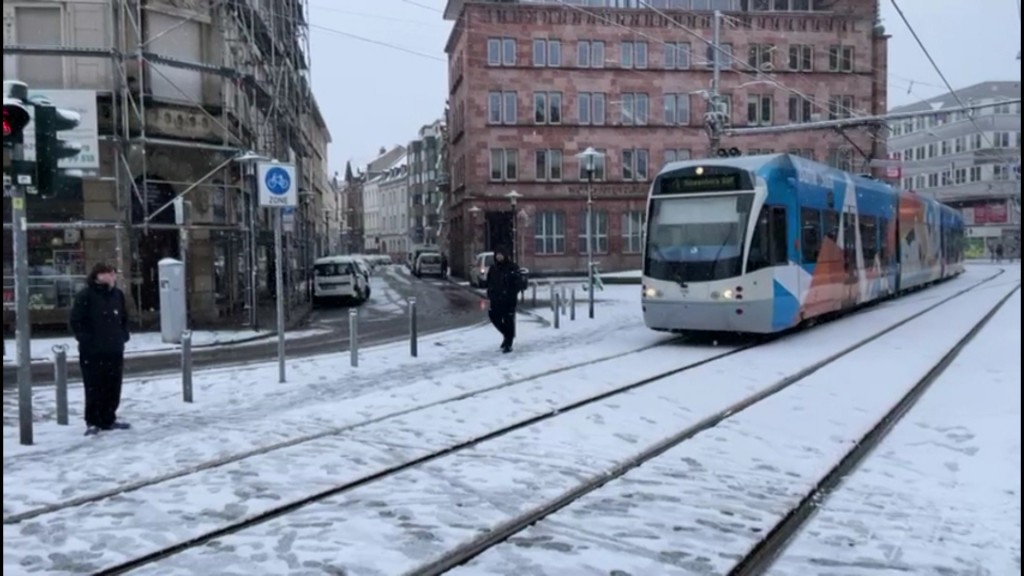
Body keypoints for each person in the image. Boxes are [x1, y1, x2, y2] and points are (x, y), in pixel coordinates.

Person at [69, 263, 131, 435]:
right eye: (109, 273)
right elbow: (76, 320)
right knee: (94, 386)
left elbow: (124, 317)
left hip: (114, 348)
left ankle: (108, 418)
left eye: (113, 273)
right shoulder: (86, 295)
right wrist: (86, 339)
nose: (113, 276)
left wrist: (123, 335)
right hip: (93, 351)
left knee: (113, 385)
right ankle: (93, 420)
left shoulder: (117, 295)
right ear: (98, 276)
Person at [486, 246, 522, 353]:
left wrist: (510, 293)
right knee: (494, 316)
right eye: (497, 255)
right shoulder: (493, 268)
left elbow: (518, 283)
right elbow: (489, 282)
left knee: (508, 321)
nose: (499, 257)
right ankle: (507, 335)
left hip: (508, 300)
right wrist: (490, 293)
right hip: (496, 300)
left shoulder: (512, 267)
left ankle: (508, 343)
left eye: (501, 254)